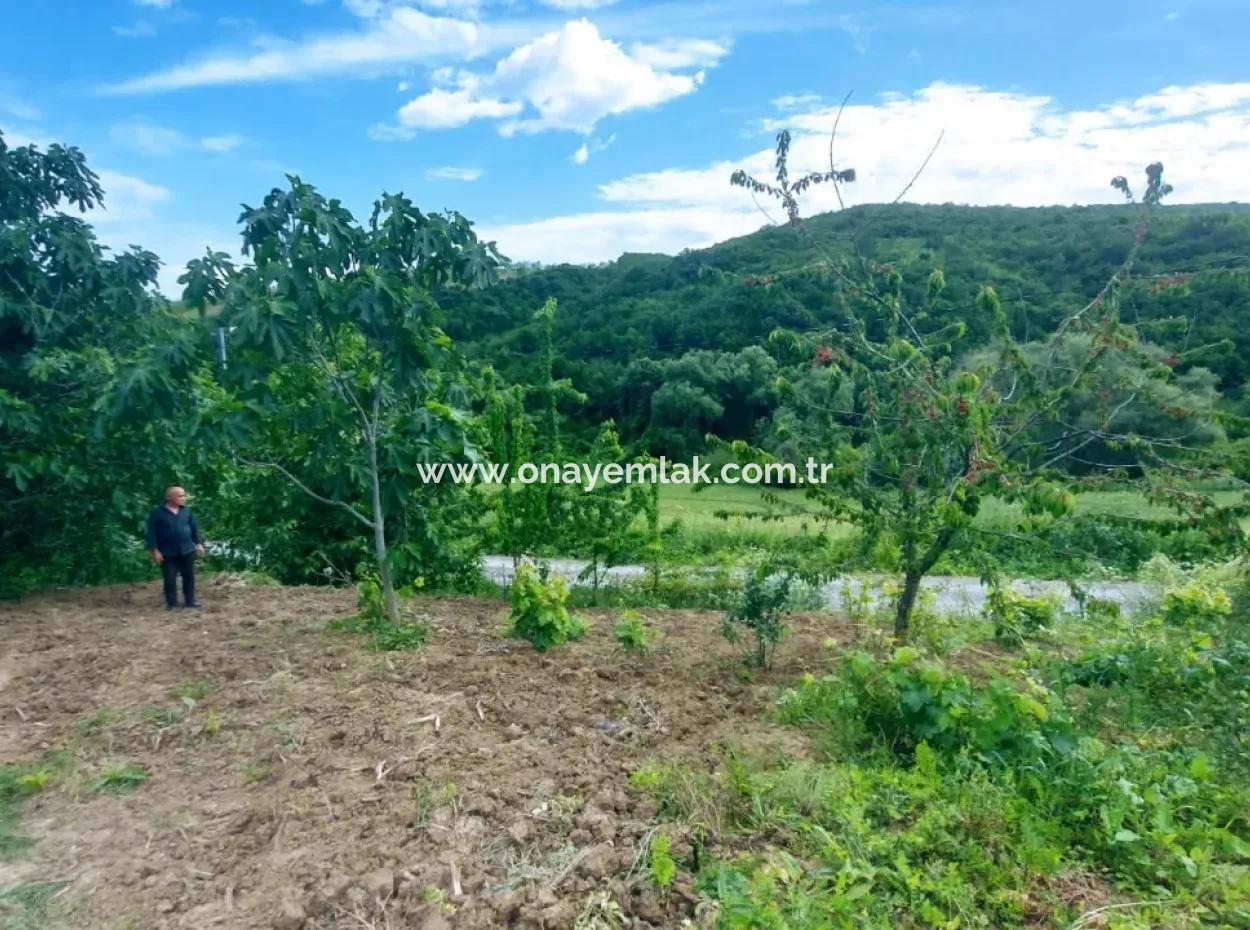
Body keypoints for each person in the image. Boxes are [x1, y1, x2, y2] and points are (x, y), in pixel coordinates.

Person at [146, 486, 204, 609]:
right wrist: (155, 551)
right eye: (180, 496)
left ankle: (190, 602)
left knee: (189, 577)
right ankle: (171, 604)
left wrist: (198, 544)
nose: (184, 498)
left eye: (184, 496)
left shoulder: (187, 511)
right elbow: (151, 533)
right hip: (167, 552)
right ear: (169, 498)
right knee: (170, 579)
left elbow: (194, 529)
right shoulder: (157, 513)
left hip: (187, 550)